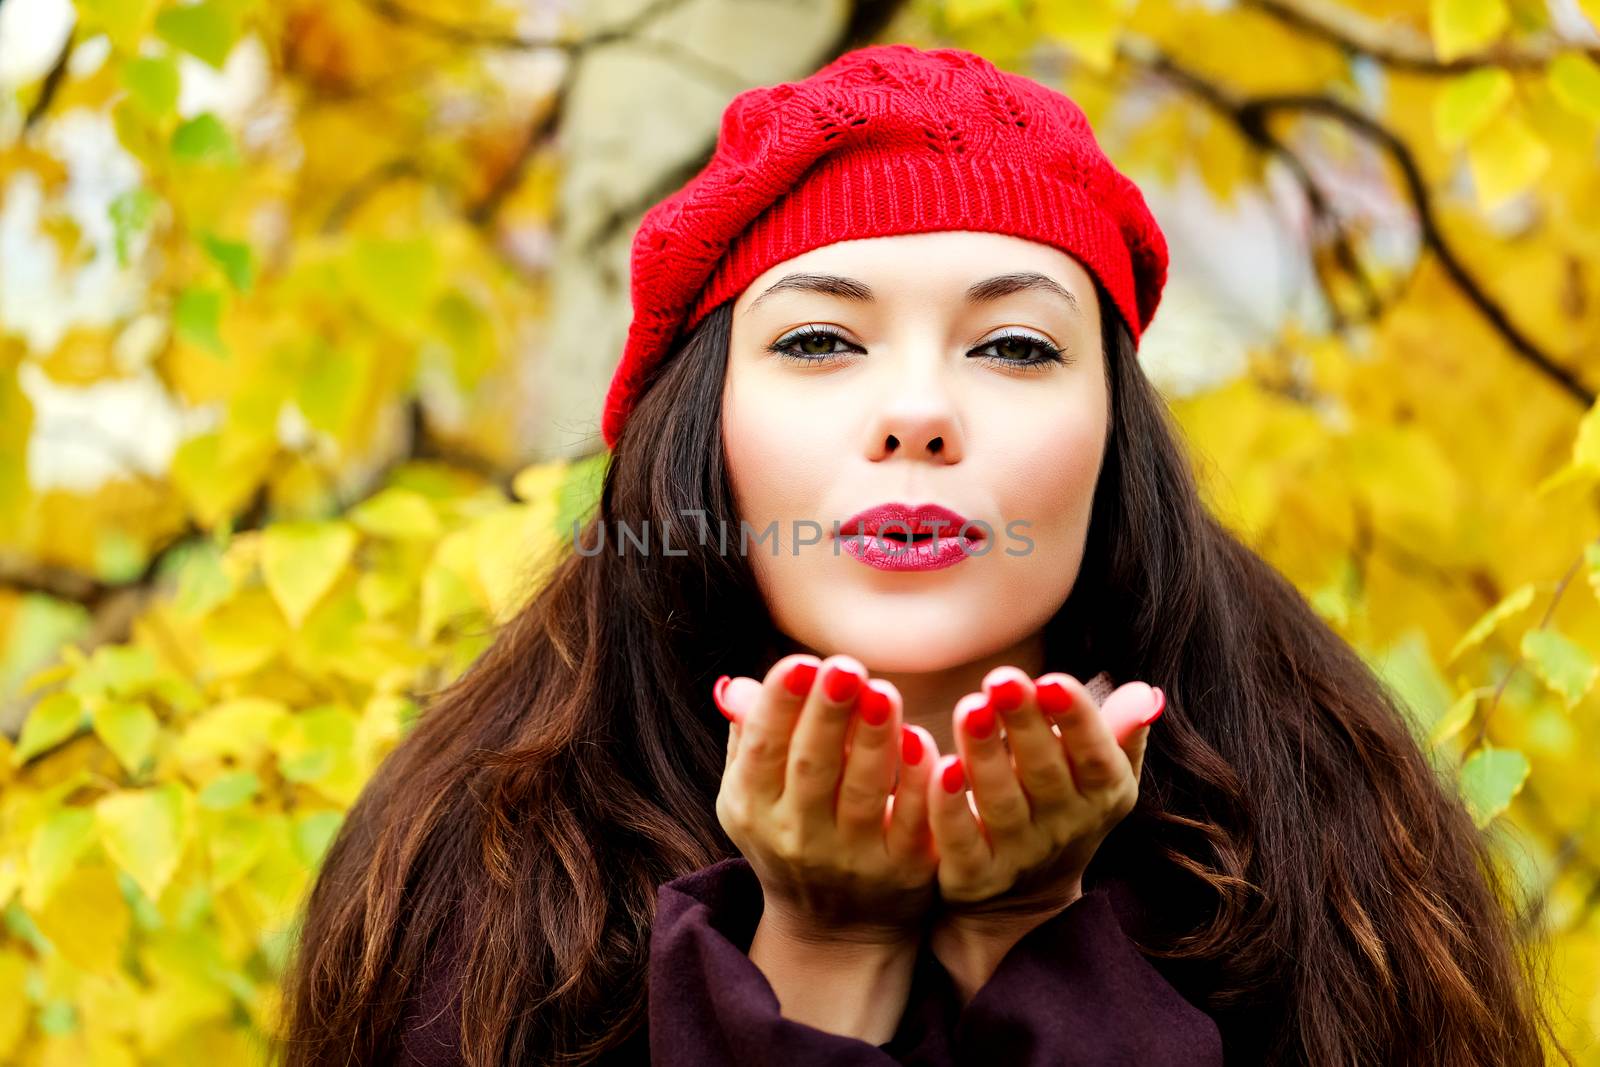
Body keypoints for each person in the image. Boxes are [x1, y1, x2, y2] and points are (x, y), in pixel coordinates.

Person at [273, 43, 1569, 1066]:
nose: (919, 412)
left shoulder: (1342, 855)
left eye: (1013, 345)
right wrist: (819, 958)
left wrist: (1038, 941)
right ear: (698, 429)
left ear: (1118, 439)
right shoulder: (482, 890)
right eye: (821, 341)